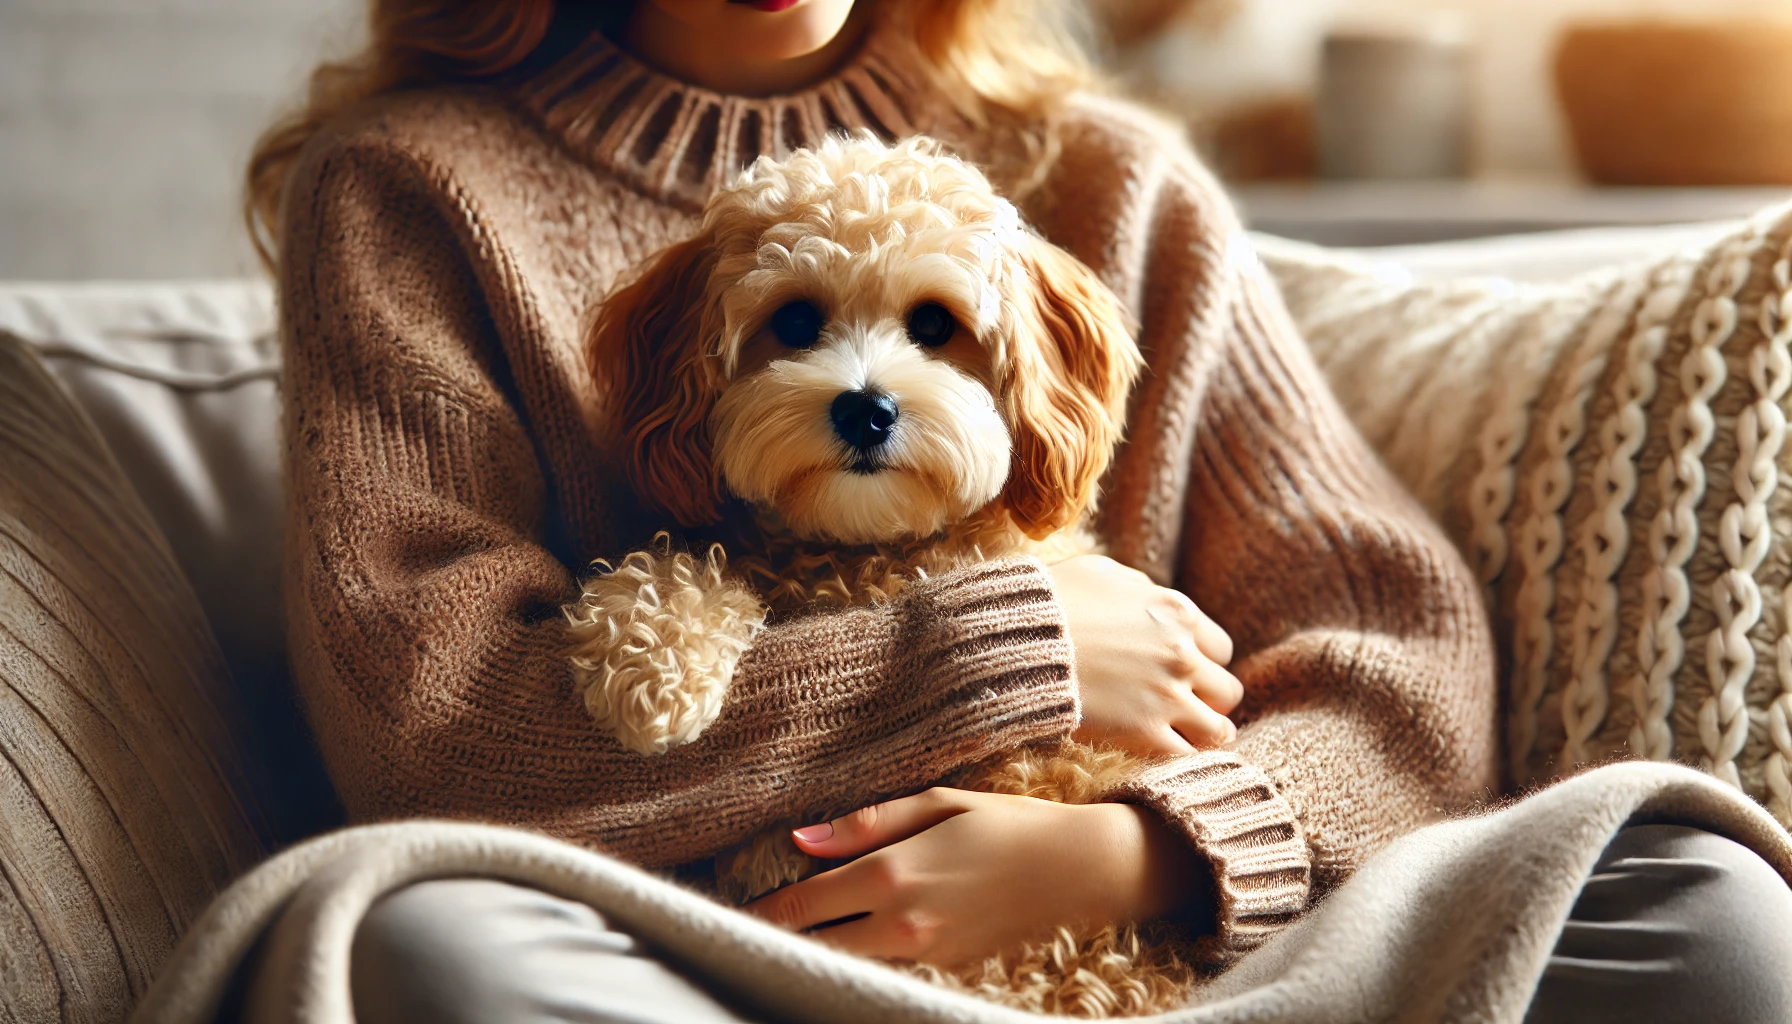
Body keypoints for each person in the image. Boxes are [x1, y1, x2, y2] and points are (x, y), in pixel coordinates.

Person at [245, 2, 1791, 1022]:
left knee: (1706, 908)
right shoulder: (410, 194)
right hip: (736, 969)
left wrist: (1151, 851)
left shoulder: (1103, 180)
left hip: (1190, 958)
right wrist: (995, 648)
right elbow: (434, 730)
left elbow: (1398, 644)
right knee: (426, 949)